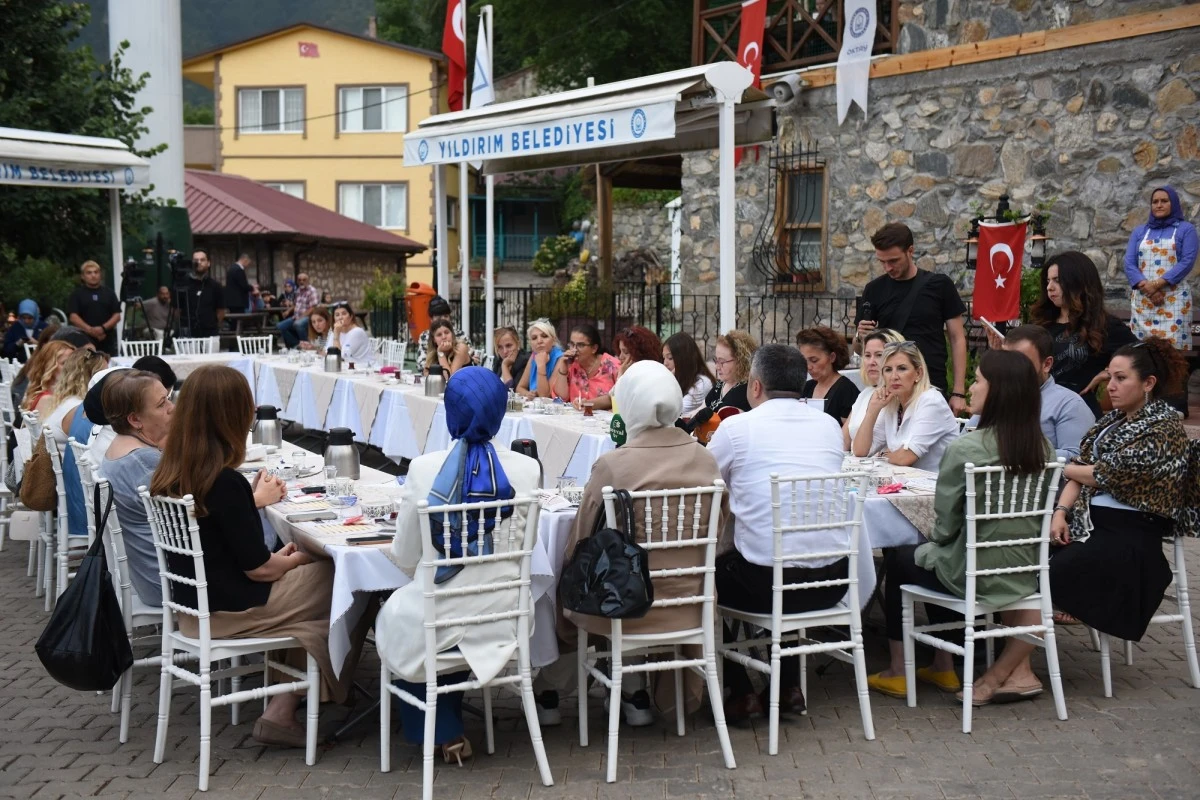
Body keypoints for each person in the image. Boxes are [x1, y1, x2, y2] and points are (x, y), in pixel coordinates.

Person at [150, 364, 350, 749]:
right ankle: (308, 695)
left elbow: (239, 553)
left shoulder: (173, 470)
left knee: (315, 619)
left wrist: (284, 559)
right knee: (342, 578)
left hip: (191, 609)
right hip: (229, 611)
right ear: (230, 415)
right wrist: (294, 560)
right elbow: (260, 570)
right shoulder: (223, 481)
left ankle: (286, 705)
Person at [867, 350, 1055, 704]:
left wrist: (932, 544)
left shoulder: (968, 447)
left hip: (973, 570)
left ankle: (901, 669)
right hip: (1023, 566)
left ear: (997, 391)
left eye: (978, 379)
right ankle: (944, 663)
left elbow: (945, 525)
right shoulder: (1042, 447)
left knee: (904, 559)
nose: (970, 386)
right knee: (925, 555)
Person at [377, 367, 540, 763]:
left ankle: (439, 726)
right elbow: (527, 548)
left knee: (403, 614)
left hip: (441, 613)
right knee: (442, 616)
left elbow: (408, 555)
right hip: (507, 612)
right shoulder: (527, 468)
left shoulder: (424, 468)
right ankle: (446, 721)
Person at [555, 360, 725, 726]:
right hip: (690, 604)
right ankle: (635, 693)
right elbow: (720, 531)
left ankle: (563, 692)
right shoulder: (706, 460)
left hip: (628, 606)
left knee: (580, 574)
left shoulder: (614, 465)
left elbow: (582, 540)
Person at [708, 344, 847, 722]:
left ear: (755, 387)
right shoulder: (829, 425)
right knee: (779, 549)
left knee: (705, 577)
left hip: (767, 585)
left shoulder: (737, 427)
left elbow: (706, 487)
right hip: (833, 581)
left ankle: (739, 689)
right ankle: (786, 685)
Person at [1049, 338, 1193, 644]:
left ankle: (1017, 662)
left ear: (1148, 383)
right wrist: (1060, 513)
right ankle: (1009, 654)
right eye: (1109, 377)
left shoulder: (1163, 426)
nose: (1110, 386)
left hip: (1131, 535)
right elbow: (1084, 468)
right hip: (1089, 523)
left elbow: (1106, 473)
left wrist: (1068, 468)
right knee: (1017, 557)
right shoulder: (1113, 420)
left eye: (1121, 378)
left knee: (1048, 572)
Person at [854, 223, 968, 412]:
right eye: (882, 262)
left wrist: (959, 392)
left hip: (930, 382)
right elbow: (860, 349)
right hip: (891, 387)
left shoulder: (940, 285)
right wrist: (860, 336)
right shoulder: (874, 289)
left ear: (911, 251)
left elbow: (957, 338)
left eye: (893, 260)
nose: (887, 267)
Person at [1030, 251, 1137, 416]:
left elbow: (1143, 355)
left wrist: (1109, 373)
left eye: (1057, 280)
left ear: (1078, 283)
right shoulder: (1042, 324)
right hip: (1036, 410)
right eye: (1048, 281)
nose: (1050, 287)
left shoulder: (1104, 325)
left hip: (1077, 413)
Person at [974, 325, 1095, 460]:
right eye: (1007, 361)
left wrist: (1015, 454)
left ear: (1047, 364)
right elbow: (966, 441)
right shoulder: (995, 396)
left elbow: (1078, 458)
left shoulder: (1069, 405)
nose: (1011, 369)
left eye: (1021, 362)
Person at [851, 340, 958, 472]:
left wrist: (883, 455)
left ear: (918, 373)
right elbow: (860, 451)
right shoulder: (893, 403)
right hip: (907, 483)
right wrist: (872, 411)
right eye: (888, 370)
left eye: (902, 368)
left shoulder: (931, 401)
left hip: (937, 486)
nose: (894, 376)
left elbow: (905, 458)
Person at [1124, 186, 1196, 351]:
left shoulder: (1186, 230)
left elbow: (1187, 262)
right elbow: (1129, 263)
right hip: (1144, 301)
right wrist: (1148, 288)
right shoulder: (1140, 232)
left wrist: (1156, 284)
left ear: (1174, 204)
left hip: (1173, 300)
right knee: (1141, 352)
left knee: (1173, 352)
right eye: (1155, 202)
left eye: (1164, 201)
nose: (1159, 205)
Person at [844, 328, 905, 450]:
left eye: (879, 355)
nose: (871, 362)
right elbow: (843, 440)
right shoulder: (865, 394)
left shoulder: (901, 395)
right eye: (867, 355)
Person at [41, 348, 108, 449]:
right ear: (93, 377)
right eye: (105, 374)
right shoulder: (80, 409)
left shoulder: (65, 400)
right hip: (69, 462)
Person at [796, 326, 859, 425]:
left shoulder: (847, 391)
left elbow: (850, 433)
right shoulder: (806, 387)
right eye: (804, 361)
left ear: (832, 357)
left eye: (814, 360)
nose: (808, 367)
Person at [549, 323, 620, 407]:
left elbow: (620, 397)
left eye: (580, 345)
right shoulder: (571, 365)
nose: (574, 349)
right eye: (572, 344)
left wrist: (588, 404)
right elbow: (561, 398)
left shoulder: (612, 365)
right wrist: (563, 369)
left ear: (594, 348)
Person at [66, 260, 122, 356]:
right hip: (83, 340)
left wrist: (103, 328)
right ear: (83, 276)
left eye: (96, 272)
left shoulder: (109, 293)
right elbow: (73, 317)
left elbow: (117, 315)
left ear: (100, 275)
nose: (93, 275)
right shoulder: (77, 294)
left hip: (107, 339)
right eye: (89, 273)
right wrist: (91, 330)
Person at [702, 330, 758, 415]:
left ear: (740, 361)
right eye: (716, 360)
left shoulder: (744, 391)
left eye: (722, 362)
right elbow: (701, 409)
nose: (717, 367)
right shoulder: (721, 385)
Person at [662, 332, 714, 418]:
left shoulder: (702, 382)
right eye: (664, 358)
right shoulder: (679, 379)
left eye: (670, 358)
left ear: (684, 359)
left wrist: (668, 380)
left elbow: (671, 413)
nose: (665, 363)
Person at [20, 340, 75, 417]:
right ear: (49, 367)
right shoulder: (46, 399)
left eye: (74, 363)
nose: (71, 367)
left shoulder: (57, 395)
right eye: (64, 363)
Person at [417, 295, 474, 363]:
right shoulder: (425, 336)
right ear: (431, 319)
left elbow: (472, 355)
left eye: (446, 316)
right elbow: (421, 364)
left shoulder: (460, 334)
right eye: (439, 317)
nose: (443, 320)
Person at [515, 319, 563, 399]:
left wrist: (541, 366)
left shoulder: (560, 358)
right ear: (531, 343)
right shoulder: (534, 355)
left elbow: (545, 395)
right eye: (534, 338)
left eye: (544, 336)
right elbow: (520, 388)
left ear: (554, 340)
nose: (539, 341)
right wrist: (528, 394)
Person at [182, 250, 225, 338]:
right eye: (196, 260)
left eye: (202, 260)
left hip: (210, 332)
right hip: (189, 333)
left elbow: (221, 311)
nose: (199, 262)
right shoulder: (183, 285)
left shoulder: (215, 286)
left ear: (208, 263)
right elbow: (176, 311)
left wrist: (213, 325)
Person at [276, 272, 319, 348]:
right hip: (296, 317)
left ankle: (306, 345)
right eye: (299, 280)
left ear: (308, 281)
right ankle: (295, 345)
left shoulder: (312, 291)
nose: (301, 282)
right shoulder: (298, 291)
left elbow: (313, 308)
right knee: (279, 326)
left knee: (298, 324)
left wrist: (301, 317)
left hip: (308, 317)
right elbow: (295, 304)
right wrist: (288, 311)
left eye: (304, 280)